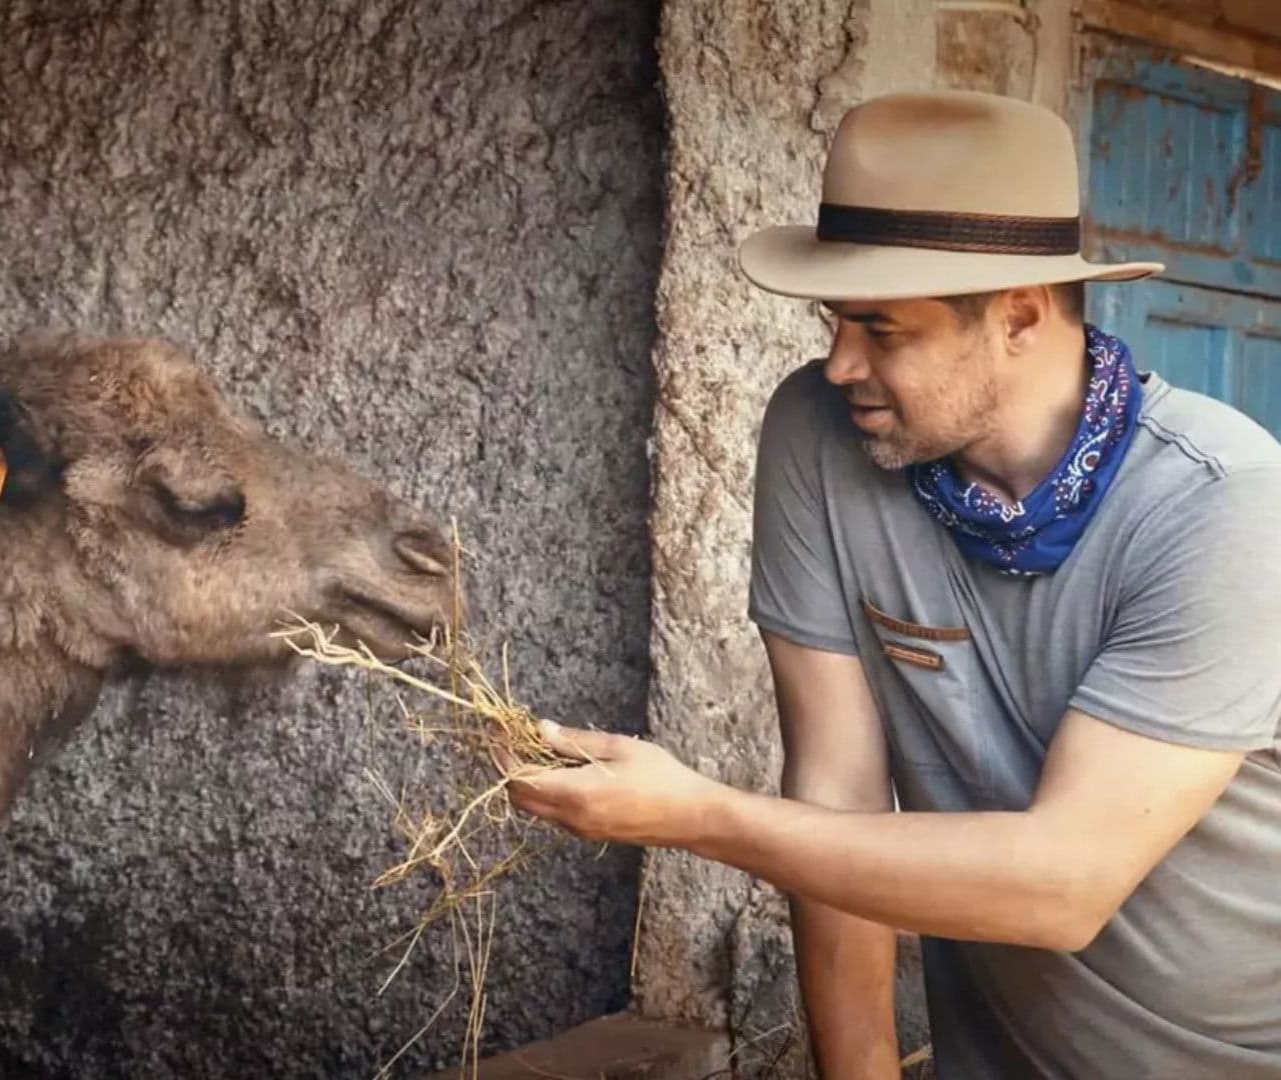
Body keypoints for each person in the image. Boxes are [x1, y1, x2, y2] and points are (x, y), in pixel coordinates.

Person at [506, 89, 1281, 1079]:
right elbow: (837, 789)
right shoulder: (820, 439)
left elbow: (1066, 884)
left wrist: (698, 815)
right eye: (836, 320)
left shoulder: (1226, 505)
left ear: (1019, 316)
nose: (839, 363)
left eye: (883, 328)